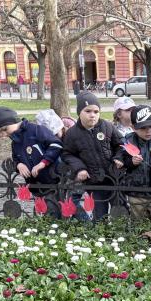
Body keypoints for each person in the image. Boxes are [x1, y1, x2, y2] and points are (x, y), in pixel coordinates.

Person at [62, 92, 124, 221]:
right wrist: (80, 169)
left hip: (113, 179)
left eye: (96, 111)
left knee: (120, 212)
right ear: (80, 112)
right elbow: (67, 154)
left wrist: (119, 157)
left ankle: (121, 235)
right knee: (99, 215)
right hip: (94, 182)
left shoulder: (107, 126)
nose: (92, 115)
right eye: (88, 111)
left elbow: (121, 144)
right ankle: (102, 236)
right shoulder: (72, 134)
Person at [0, 106, 62, 217]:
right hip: (36, 185)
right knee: (43, 212)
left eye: (5, 130)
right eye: (0, 133)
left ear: (14, 121)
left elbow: (56, 144)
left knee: (53, 213)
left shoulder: (36, 130)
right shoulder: (15, 142)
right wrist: (18, 165)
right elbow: (16, 158)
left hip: (52, 181)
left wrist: (43, 162)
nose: (5, 135)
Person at [114, 105, 151, 221]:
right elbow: (121, 156)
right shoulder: (128, 140)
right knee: (138, 222)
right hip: (135, 192)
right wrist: (130, 162)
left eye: (150, 127)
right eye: (143, 128)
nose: (148, 131)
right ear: (133, 127)